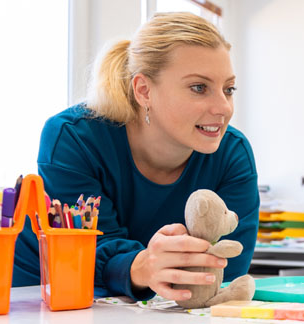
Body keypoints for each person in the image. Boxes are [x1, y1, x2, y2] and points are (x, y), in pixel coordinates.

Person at [13, 12, 259, 302]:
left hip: (147, 306)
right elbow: (85, 252)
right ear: (144, 90)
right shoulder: (74, 137)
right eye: (198, 88)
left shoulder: (233, 154)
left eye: (228, 89)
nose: (223, 108)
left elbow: (223, 271)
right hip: (41, 295)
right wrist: (140, 266)